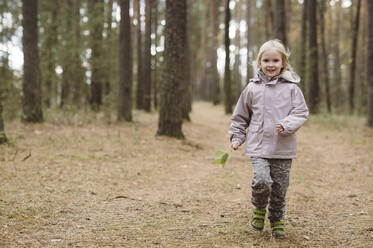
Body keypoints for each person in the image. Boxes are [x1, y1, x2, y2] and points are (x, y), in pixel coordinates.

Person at [228, 39, 309, 238]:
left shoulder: (292, 89)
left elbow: (301, 112)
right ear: (259, 63)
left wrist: (287, 124)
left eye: (275, 60)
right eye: (266, 60)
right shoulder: (251, 89)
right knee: (262, 180)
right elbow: (241, 116)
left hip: (283, 148)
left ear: (283, 63)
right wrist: (237, 137)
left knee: (280, 189)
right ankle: (258, 209)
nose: (271, 64)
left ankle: (277, 219)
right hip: (258, 147)